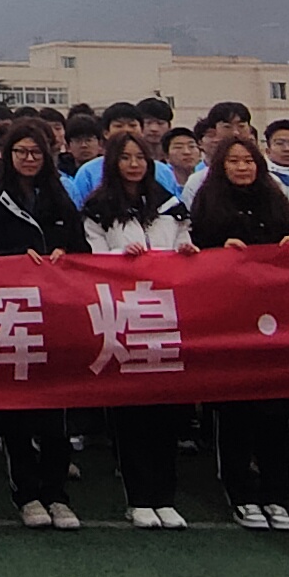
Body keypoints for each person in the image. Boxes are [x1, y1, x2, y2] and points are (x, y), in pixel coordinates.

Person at [0, 122, 89, 530]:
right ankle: (27, 495)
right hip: (13, 316)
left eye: (36, 152)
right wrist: (18, 257)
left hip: (56, 316)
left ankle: (57, 494)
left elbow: (83, 250)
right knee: (18, 414)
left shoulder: (60, 198)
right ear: (8, 155)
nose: (29, 159)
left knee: (57, 416)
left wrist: (64, 255)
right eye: (21, 151)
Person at [188, 130, 289, 530]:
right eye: (234, 161)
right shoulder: (208, 203)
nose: (242, 167)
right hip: (230, 322)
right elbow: (193, 255)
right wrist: (219, 254)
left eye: (248, 161)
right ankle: (241, 495)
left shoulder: (275, 199)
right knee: (236, 413)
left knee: (275, 413)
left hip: (274, 320)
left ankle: (276, 496)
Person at [80, 130, 193, 528]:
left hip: (166, 319)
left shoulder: (169, 204)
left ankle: (165, 497)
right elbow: (92, 259)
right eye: (125, 157)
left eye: (140, 157)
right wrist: (119, 256)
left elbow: (185, 239)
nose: (133, 164)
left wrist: (185, 251)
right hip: (124, 320)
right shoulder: (97, 208)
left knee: (165, 415)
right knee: (131, 415)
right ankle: (139, 498)